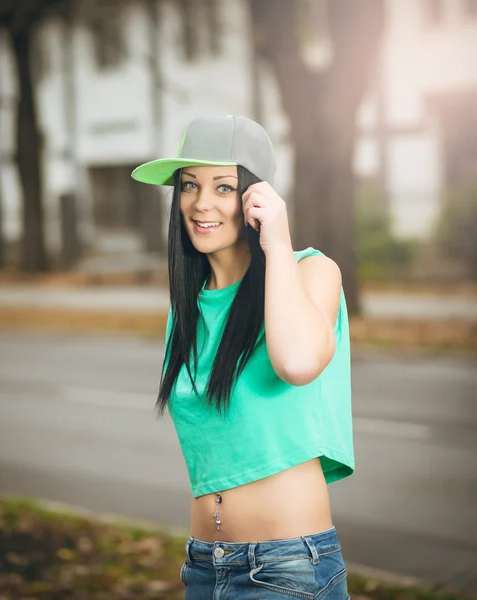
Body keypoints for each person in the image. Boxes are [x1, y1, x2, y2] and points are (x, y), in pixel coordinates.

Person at [132, 115, 354, 599]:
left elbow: (296, 363)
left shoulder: (312, 272)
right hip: (203, 567)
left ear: (256, 197)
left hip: (287, 567)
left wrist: (277, 243)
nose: (201, 202)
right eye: (188, 185)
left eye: (223, 186)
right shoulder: (188, 308)